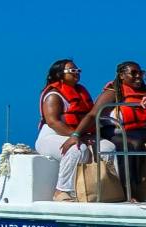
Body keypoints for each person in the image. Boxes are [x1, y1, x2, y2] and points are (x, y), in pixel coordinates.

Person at [35, 59, 114, 200]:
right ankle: (61, 191)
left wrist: (83, 134)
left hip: (79, 134)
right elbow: (53, 122)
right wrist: (76, 135)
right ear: (59, 74)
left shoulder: (80, 92)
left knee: (108, 147)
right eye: (72, 71)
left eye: (78, 71)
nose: (76, 73)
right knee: (77, 149)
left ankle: (103, 188)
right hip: (51, 136)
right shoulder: (54, 95)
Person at [97, 61, 146, 192]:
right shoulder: (113, 93)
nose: (138, 76)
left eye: (140, 73)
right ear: (121, 76)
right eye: (133, 73)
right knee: (132, 145)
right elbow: (94, 115)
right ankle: (130, 189)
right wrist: (78, 134)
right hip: (115, 132)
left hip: (143, 133)